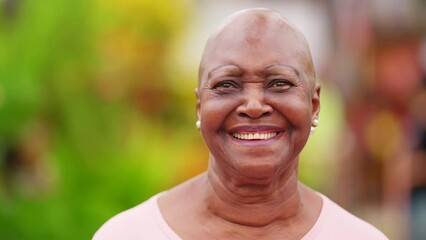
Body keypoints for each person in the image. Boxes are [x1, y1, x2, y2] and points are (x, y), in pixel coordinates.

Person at [93, 8, 388, 240]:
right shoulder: (129, 235)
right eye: (227, 85)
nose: (254, 105)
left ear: (313, 105)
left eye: (279, 83)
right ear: (200, 107)